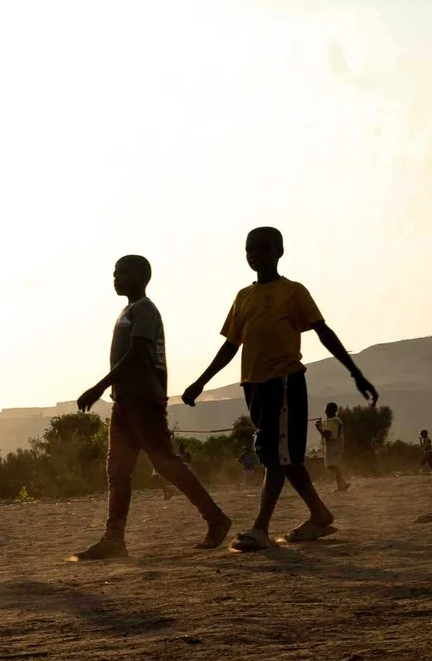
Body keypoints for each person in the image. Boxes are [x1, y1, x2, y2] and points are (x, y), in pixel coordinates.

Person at [181, 227, 378, 552]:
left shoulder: (293, 291)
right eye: (249, 249)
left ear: (279, 251)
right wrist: (201, 382)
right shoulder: (243, 296)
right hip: (253, 386)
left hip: (284, 383)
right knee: (284, 458)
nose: (254, 254)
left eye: (262, 248)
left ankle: (260, 528)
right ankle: (319, 514)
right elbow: (231, 345)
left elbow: (322, 331)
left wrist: (355, 372)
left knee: (276, 458)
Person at [70, 255, 230, 560]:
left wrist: (100, 386)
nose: (115, 278)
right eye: (114, 273)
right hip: (125, 402)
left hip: (143, 400)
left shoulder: (144, 310)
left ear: (142, 276)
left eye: (121, 273)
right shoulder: (127, 311)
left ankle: (216, 519)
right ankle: (114, 539)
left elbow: (137, 354)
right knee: (118, 471)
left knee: (167, 464)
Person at [314, 401, 352, 492]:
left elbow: (327, 435)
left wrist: (318, 428)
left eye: (326, 409)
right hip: (336, 445)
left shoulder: (332, 421)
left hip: (333, 446)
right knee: (332, 465)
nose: (325, 411)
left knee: (332, 465)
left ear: (329, 410)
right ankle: (342, 485)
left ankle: (342, 485)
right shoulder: (335, 420)